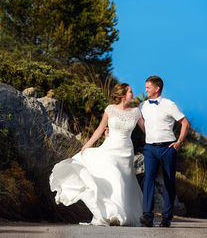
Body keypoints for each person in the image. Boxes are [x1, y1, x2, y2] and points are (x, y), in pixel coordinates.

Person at [49, 83, 144, 226]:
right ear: (123, 94)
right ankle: (113, 214)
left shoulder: (136, 112)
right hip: (110, 147)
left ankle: (120, 214)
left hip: (126, 151)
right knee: (114, 175)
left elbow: (146, 131)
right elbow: (100, 129)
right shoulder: (110, 110)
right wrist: (87, 145)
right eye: (130, 92)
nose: (133, 94)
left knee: (124, 182)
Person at [138, 76, 190, 228]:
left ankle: (167, 217)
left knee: (169, 181)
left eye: (148, 87)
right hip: (150, 149)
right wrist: (147, 134)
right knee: (148, 180)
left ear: (157, 89)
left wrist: (179, 142)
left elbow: (185, 123)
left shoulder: (169, 104)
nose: (146, 90)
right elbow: (140, 121)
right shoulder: (142, 105)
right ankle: (147, 216)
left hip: (168, 148)